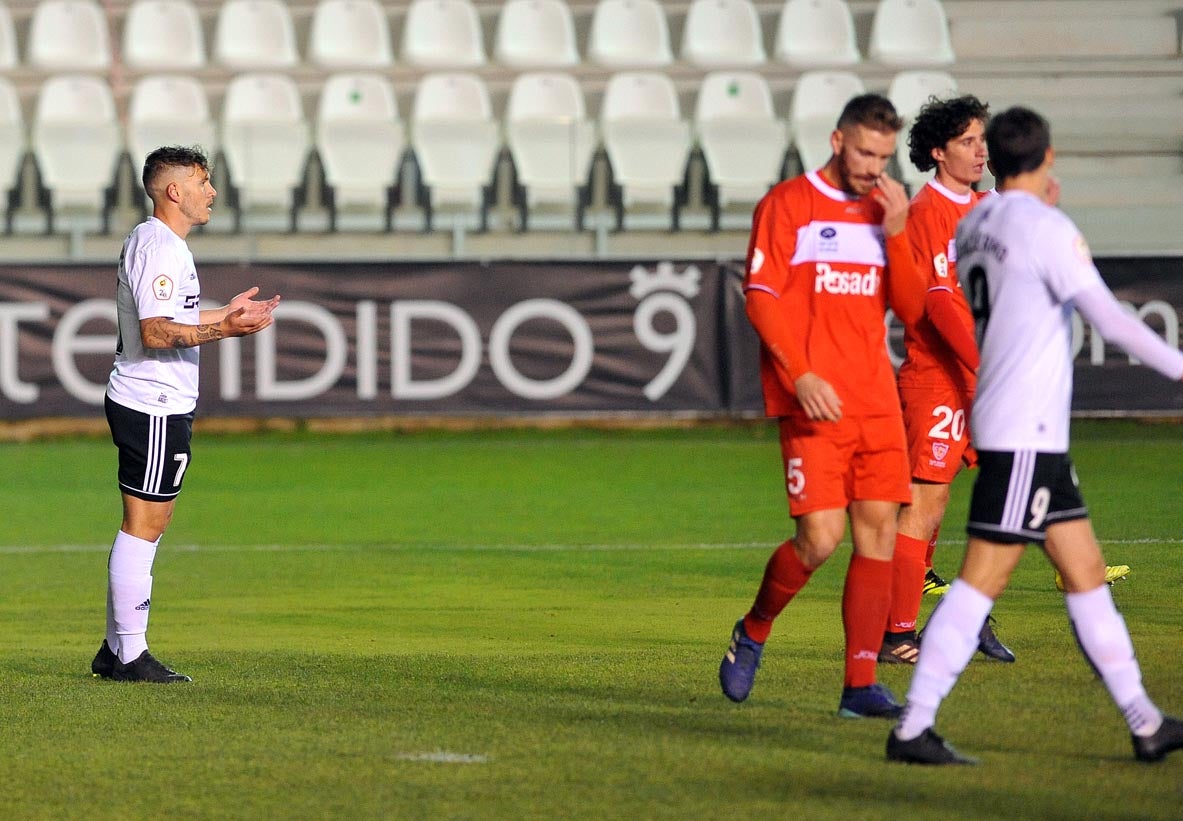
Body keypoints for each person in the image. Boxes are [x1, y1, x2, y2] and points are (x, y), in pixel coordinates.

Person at [885, 106, 1183, 764]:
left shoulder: (977, 224)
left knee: (1083, 571)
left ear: (993, 155)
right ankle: (912, 723)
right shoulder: (1042, 226)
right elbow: (1112, 320)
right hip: (1025, 430)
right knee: (976, 583)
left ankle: (1143, 720)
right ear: (1046, 158)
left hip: (1021, 427)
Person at [718, 94, 926, 718]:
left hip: (875, 401)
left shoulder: (887, 210)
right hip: (816, 401)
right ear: (838, 141)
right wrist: (800, 373)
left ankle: (859, 687)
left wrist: (896, 232)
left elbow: (911, 309)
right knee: (819, 538)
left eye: (885, 156)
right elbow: (760, 296)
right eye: (865, 152)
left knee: (878, 534)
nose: (874, 166)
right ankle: (753, 629)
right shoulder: (787, 204)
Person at [90, 146, 280, 683]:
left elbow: (173, 317)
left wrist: (226, 313)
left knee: (151, 520)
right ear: (174, 190)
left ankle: (113, 647)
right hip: (150, 400)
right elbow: (155, 332)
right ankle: (129, 653)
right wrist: (227, 330)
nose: (211, 192)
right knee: (144, 524)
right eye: (202, 181)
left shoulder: (159, 243)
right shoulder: (160, 247)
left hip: (156, 400)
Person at [878, 95, 1015, 665]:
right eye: (966, 141)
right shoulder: (927, 210)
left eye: (983, 139)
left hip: (980, 378)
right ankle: (896, 635)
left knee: (1000, 501)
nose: (980, 150)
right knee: (924, 507)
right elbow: (937, 302)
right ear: (937, 152)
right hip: (940, 379)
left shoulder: (988, 205)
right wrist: (986, 369)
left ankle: (965, 613)